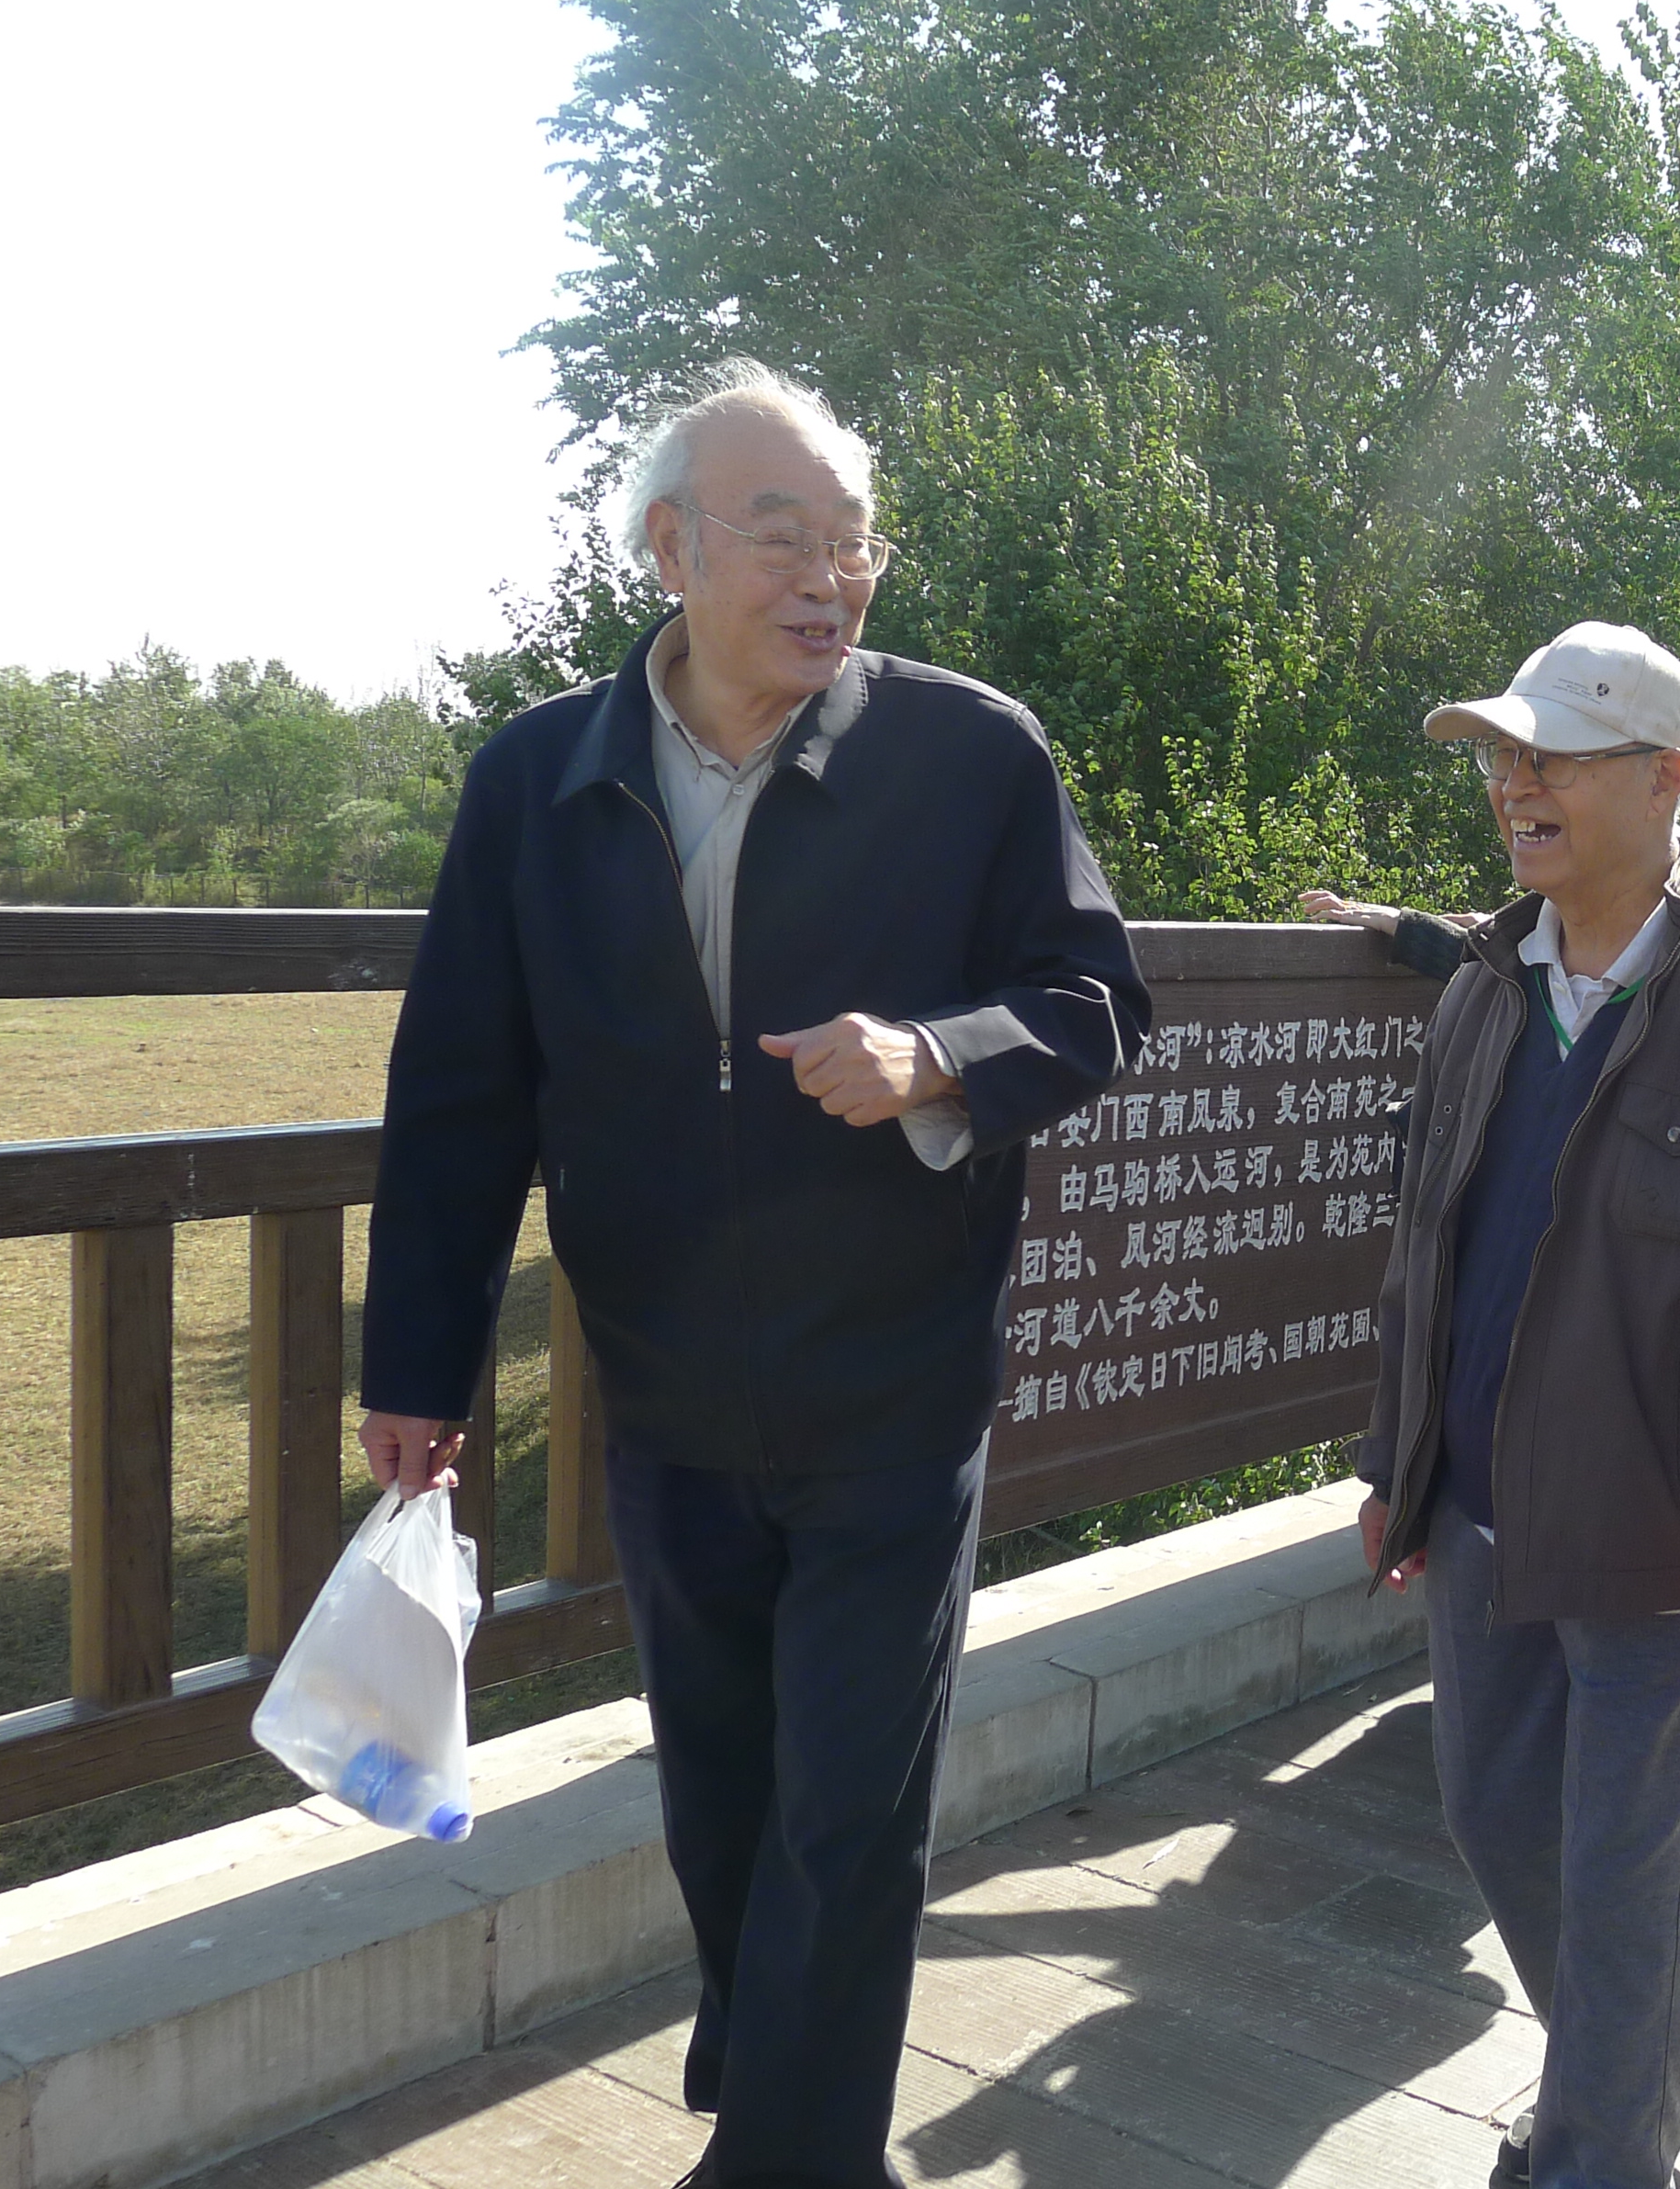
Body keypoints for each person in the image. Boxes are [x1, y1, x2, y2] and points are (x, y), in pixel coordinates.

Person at [359, 361, 1151, 2189]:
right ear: (668, 547)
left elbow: (1097, 999)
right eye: (780, 534)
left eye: (852, 541)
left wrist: (936, 1055)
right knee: (722, 1792)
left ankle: (791, 2154)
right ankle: (776, 2077)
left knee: (847, 1812)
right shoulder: (540, 781)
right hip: (668, 1388)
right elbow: (462, 1091)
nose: (827, 575)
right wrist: (417, 1371)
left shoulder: (970, 753)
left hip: (896, 1384)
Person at [1357, 621, 1680, 2189]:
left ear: (1667, 779)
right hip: (1477, 1512)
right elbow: (1425, 1246)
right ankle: (1627, 2074)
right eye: (1503, 759)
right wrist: (1394, 1460)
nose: (1517, 786)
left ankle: (1599, 2155)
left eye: (1556, 757)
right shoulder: (1486, 984)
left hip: (1664, 1545)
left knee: (1627, 1884)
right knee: (1497, 1825)